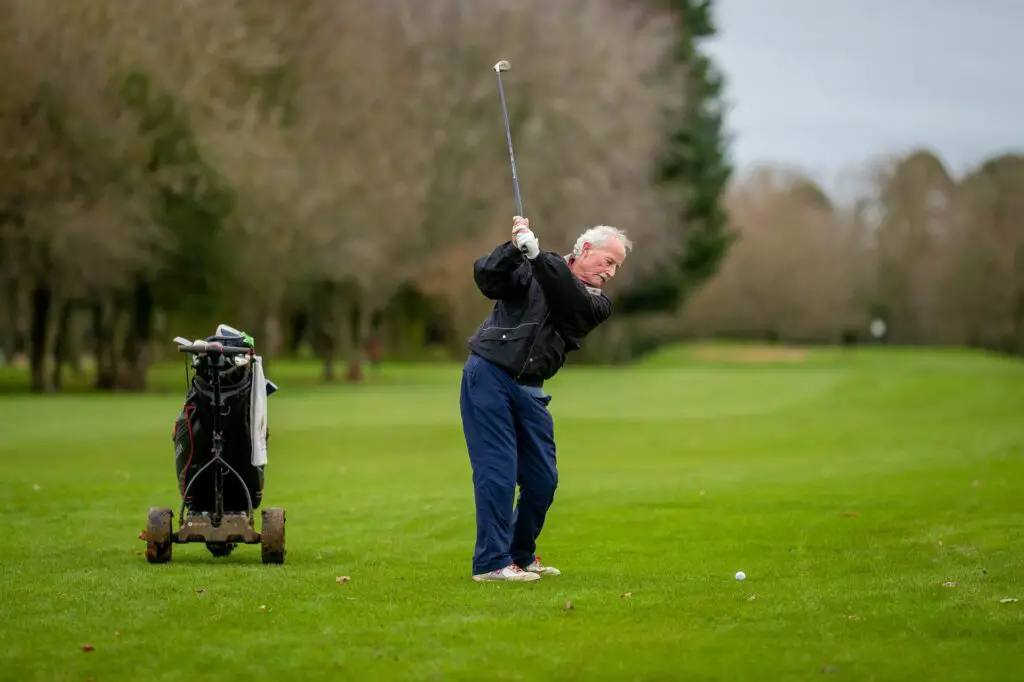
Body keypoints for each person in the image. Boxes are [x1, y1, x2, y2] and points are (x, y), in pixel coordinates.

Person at [460, 215, 631, 582]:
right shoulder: (532, 263)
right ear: (585, 249)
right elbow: (487, 279)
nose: (611, 272)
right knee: (498, 471)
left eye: (616, 266)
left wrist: (537, 257)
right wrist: (513, 249)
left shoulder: (596, 303)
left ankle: (520, 555)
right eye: (608, 261)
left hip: (531, 389)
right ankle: (491, 563)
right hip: (489, 374)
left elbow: (566, 297)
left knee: (542, 480)